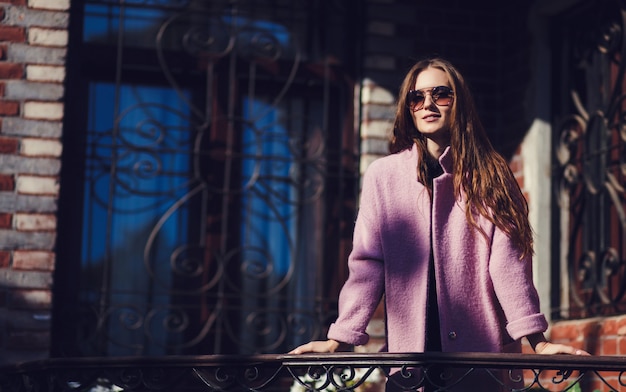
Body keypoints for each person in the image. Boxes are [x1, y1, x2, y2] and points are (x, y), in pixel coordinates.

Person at [289, 57, 589, 390]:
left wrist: (537, 341)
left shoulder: (491, 174)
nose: (427, 104)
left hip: (477, 362)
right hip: (409, 368)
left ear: (459, 103)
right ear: (408, 109)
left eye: (441, 94)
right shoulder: (383, 177)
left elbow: (508, 267)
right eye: (416, 98)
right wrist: (341, 338)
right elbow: (367, 265)